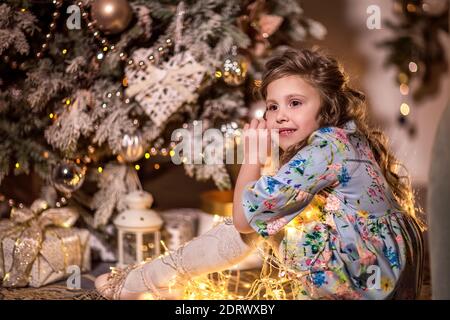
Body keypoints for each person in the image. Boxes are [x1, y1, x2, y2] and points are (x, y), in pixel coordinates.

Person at [95, 48, 424, 300]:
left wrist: (252, 155)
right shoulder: (343, 136)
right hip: (389, 266)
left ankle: (147, 280)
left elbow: (243, 219)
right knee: (272, 210)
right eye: (273, 106)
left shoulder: (324, 150)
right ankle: (162, 277)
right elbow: (270, 197)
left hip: (368, 272)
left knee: (252, 223)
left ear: (326, 107)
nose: (280, 116)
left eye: (295, 103)